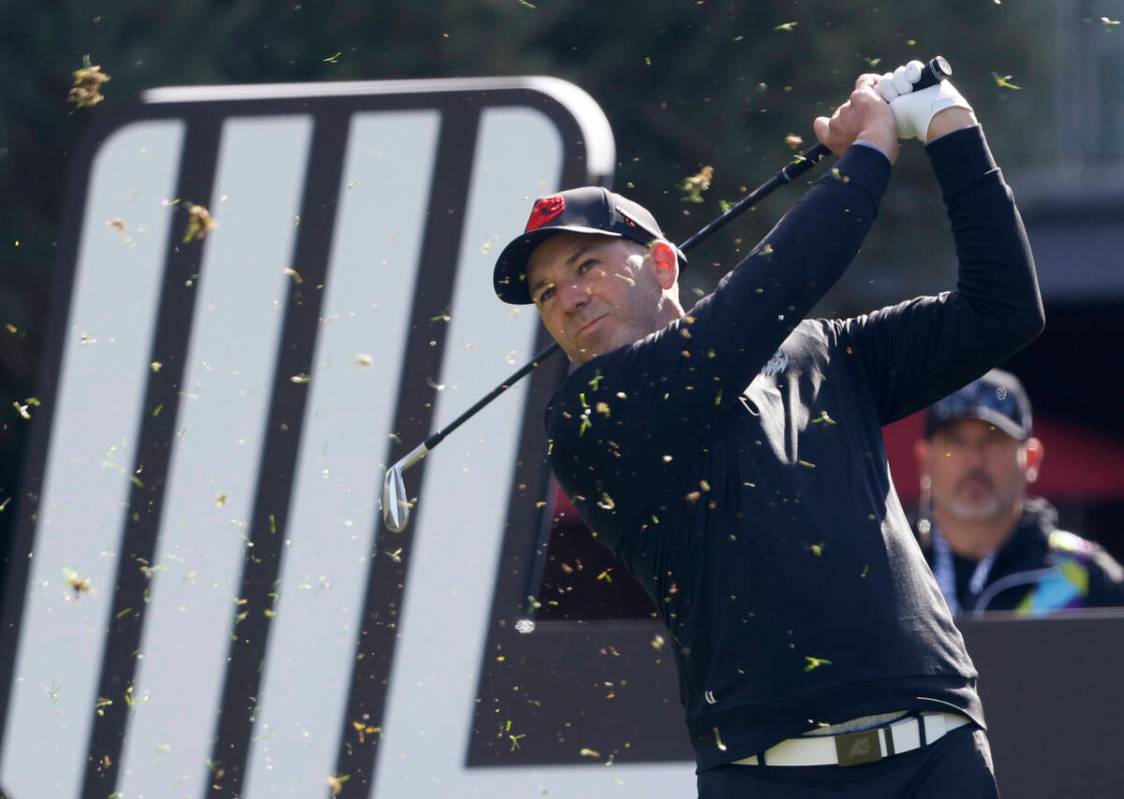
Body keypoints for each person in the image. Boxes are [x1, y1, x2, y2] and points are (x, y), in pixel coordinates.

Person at [493, 60, 1043, 798]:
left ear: (662, 262)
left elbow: (1001, 310)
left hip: (935, 754)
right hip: (772, 778)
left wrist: (949, 125)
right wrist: (870, 154)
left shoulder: (821, 350)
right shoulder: (591, 417)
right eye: (545, 291)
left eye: (587, 263)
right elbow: (761, 300)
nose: (566, 298)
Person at [915, 369, 1124, 616]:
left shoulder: (1088, 577)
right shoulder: (885, 569)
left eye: (993, 441)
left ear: (1032, 459)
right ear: (925, 461)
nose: (973, 460)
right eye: (956, 442)